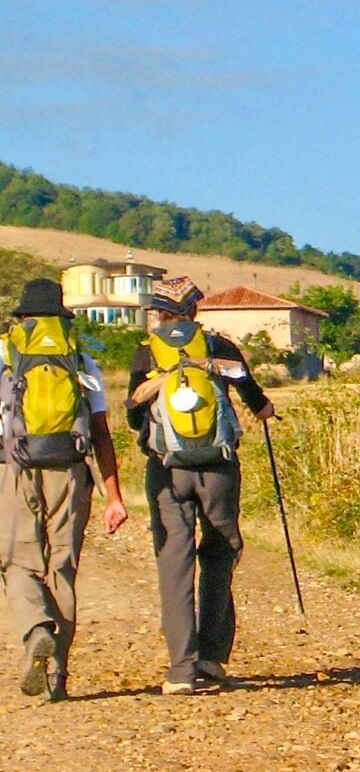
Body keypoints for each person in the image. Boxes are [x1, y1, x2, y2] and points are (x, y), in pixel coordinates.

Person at [125, 276, 274, 695]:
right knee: (221, 550)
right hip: (219, 468)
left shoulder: (145, 353)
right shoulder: (221, 348)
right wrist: (265, 410)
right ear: (194, 311)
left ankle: (180, 668)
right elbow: (257, 402)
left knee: (174, 561)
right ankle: (212, 655)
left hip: (167, 470)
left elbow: (133, 415)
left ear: (159, 313)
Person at [0, 278, 128, 702]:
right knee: (63, 569)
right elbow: (101, 433)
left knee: (17, 564)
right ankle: (58, 673)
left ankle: (36, 628)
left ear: (22, 318)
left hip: (15, 471)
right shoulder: (81, 358)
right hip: (71, 471)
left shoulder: (4, 353)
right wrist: (113, 495)